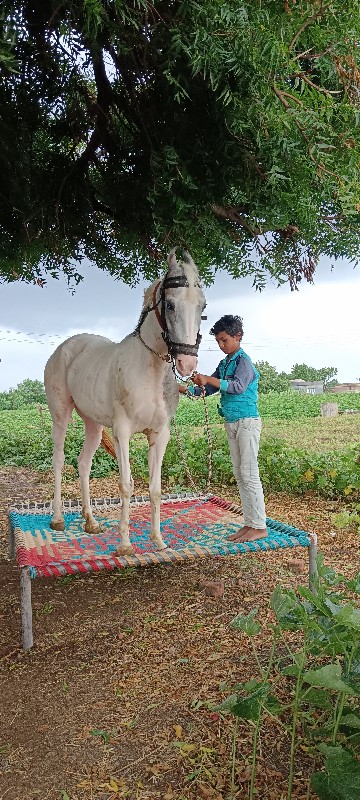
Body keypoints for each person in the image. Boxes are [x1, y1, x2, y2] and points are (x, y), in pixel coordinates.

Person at [180, 314, 267, 543]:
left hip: (247, 422)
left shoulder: (243, 362)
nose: (221, 345)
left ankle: (259, 526)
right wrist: (183, 388)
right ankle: (249, 524)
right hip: (232, 423)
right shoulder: (225, 363)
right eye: (218, 341)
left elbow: (237, 387)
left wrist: (209, 379)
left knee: (249, 474)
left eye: (224, 339)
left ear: (237, 336)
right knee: (240, 475)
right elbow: (206, 391)